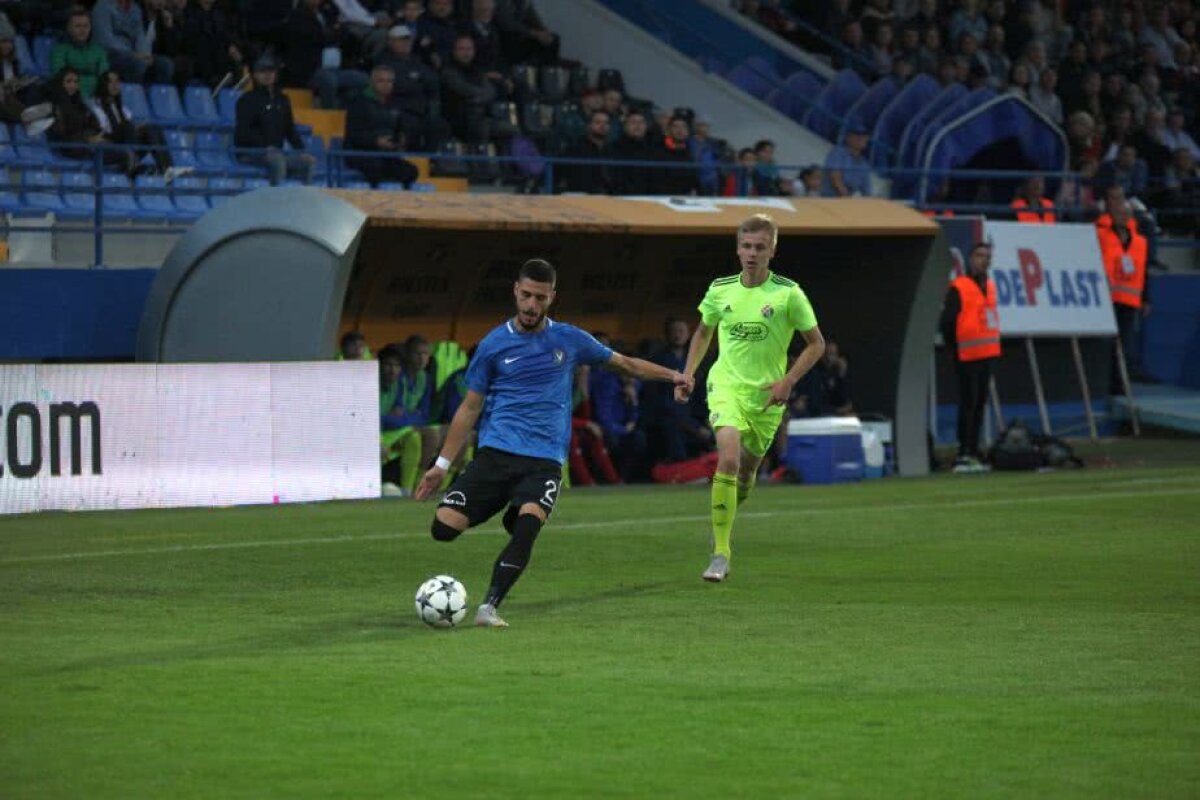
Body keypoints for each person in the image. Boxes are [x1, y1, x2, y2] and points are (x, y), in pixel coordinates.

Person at [413, 258, 693, 628]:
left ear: (552, 297)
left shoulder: (569, 339)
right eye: (526, 295)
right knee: (443, 529)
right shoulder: (494, 345)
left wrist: (675, 375)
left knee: (528, 526)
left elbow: (625, 364)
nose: (531, 305)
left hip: (543, 460)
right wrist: (442, 466)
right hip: (496, 455)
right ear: (515, 290)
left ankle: (489, 607)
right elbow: (469, 408)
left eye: (540, 298)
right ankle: (511, 508)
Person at [676, 214, 825, 582]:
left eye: (760, 247)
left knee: (745, 472)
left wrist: (788, 380)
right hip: (726, 385)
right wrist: (688, 373)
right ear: (737, 248)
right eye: (746, 246)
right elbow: (703, 333)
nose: (751, 253)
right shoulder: (721, 289)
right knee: (727, 457)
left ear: (772, 250)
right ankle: (720, 552)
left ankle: (724, 514)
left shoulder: (788, 294)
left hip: (767, 396)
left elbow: (816, 344)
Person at [939, 242, 1000, 473]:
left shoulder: (991, 286)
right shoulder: (960, 287)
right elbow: (948, 322)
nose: (983, 260)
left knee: (979, 404)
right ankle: (964, 451)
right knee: (968, 404)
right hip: (967, 354)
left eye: (986, 256)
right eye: (978, 255)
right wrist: (955, 349)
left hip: (988, 353)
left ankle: (973, 450)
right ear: (970, 259)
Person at [234, 55, 316, 186]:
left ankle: (304, 202)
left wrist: (302, 151)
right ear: (255, 74)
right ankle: (276, 199)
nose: (267, 75)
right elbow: (244, 132)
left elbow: (290, 129)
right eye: (262, 71)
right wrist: (265, 147)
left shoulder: (283, 99)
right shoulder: (246, 100)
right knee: (277, 160)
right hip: (252, 152)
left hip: (276, 152)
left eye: (270, 71)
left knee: (308, 162)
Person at [1095, 198, 1149, 391]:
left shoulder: (1140, 242)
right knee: (1107, 344)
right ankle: (1106, 383)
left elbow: (1145, 271)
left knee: (1125, 345)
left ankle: (1120, 383)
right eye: (1119, 213)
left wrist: (1146, 298)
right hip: (1108, 298)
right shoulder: (1102, 235)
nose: (1123, 217)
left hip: (1130, 299)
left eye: (1126, 214)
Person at [345, 64, 419, 188]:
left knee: (411, 171)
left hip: (386, 154)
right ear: (371, 82)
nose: (386, 85)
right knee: (375, 167)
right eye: (381, 81)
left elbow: (399, 128)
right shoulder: (358, 102)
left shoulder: (395, 104)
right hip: (360, 153)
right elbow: (353, 135)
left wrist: (400, 139)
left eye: (389, 81)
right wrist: (376, 141)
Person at [90, 0, 174, 85]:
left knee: (165, 64)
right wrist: (132, 54)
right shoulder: (102, 6)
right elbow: (104, 40)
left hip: (132, 54)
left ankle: (154, 96)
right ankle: (131, 95)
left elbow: (140, 36)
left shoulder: (135, 9)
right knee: (138, 64)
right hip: (108, 54)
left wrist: (146, 55)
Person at [49, 8, 110, 99]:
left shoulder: (98, 50)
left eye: (86, 26)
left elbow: (105, 78)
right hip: (71, 98)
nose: (82, 30)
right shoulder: (59, 50)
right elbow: (63, 78)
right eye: (78, 26)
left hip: (97, 97)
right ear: (69, 28)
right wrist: (93, 82)